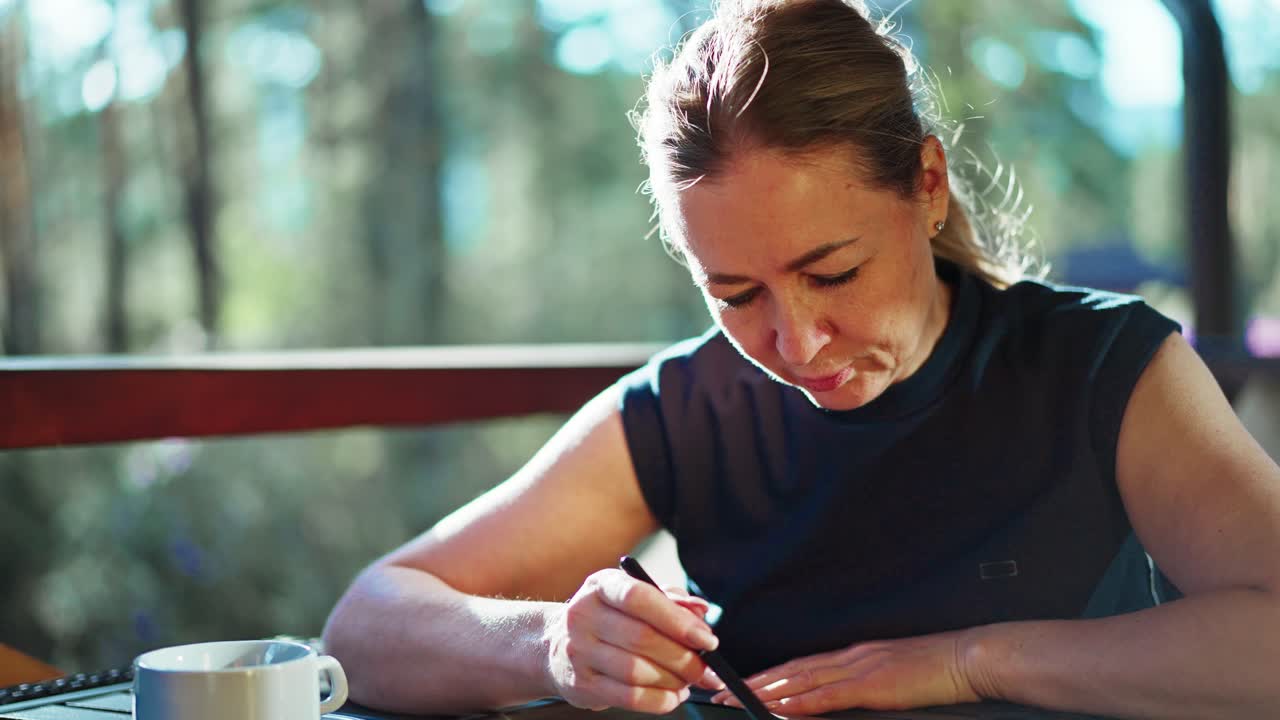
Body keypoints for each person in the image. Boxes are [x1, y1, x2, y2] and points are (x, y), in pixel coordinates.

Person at [322, 1, 1280, 717]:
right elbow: (364, 626)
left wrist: (971, 659)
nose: (794, 342)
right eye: (735, 294)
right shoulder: (690, 410)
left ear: (928, 186)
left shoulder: (1100, 367)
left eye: (834, 272)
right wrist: (550, 646)